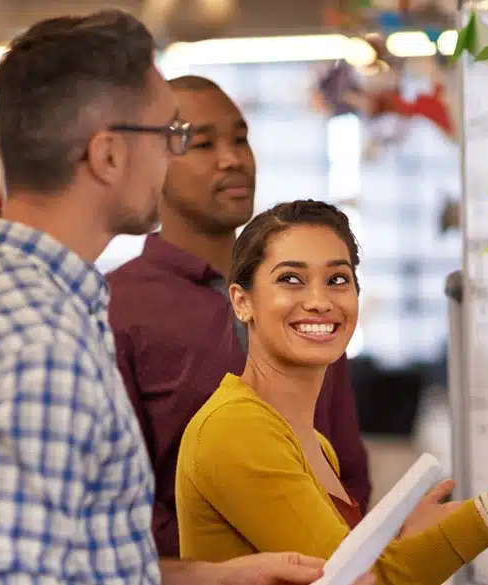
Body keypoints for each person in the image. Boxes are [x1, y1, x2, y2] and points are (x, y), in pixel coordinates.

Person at [0, 11, 368, 585]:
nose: (172, 157)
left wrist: (216, 576)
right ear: (109, 155)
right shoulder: (38, 346)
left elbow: (76, 560)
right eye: (172, 136)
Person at [175, 200, 488, 584]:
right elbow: (357, 580)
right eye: (291, 279)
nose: (320, 301)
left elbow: (351, 562)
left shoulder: (313, 442)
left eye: (338, 280)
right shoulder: (236, 426)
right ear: (241, 301)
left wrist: (405, 536)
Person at [106, 75, 371, 557]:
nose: (233, 159)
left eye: (241, 139)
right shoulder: (116, 307)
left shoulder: (300, 300)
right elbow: (121, 499)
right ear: (150, 165)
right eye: (202, 143)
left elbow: (345, 460)